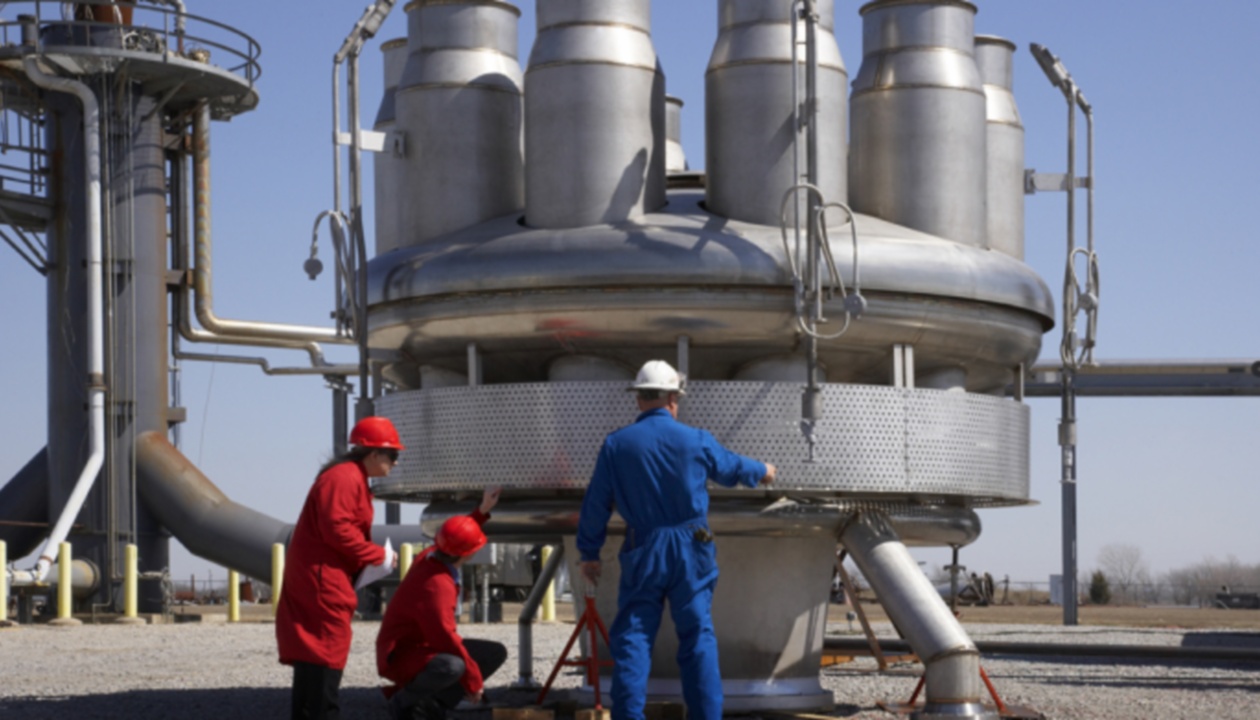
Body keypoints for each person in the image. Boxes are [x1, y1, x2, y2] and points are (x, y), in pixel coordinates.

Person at [576, 360, 776, 720]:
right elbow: (731, 467)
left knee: (633, 637)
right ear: (672, 399)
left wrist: (589, 552)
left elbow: (596, 504)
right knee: (697, 636)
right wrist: (763, 471)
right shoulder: (695, 439)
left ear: (639, 400)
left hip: (643, 548)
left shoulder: (616, 445)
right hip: (691, 547)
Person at [276, 416, 403, 720]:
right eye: (393, 455)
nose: (395, 463)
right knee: (324, 649)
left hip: (321, 573)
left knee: (315, 653)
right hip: (323, 577)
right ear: (373, 453)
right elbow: (337, 529)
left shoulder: (347, 476)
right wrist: (375, 555)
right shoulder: (345, 478)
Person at [377, 489, 508, 720]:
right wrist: (473, 681)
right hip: (401, 655)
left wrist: (482, 510)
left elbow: (457, 534)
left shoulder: (432, 556)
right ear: (468, 554)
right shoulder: (438, 586)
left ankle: (432, 704)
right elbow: (445, 638)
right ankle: (405, 702)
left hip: (420, 645)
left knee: (493, 653)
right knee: (452, 666)